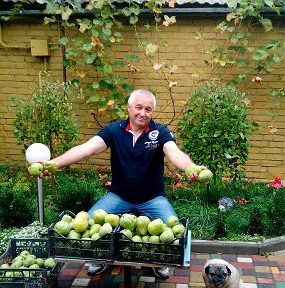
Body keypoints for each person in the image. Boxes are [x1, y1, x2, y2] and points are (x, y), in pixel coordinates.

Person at [41, 89, 203, 279]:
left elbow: (174, 152)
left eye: (148, 109)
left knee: (174, 237)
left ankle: (159, 261)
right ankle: (100, 258)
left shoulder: (160, 132)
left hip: (152, 198)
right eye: (139, 107)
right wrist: (54, 164)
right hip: (118, 196)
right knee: (88, 228)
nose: (143, 113)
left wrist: (191, 168)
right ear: (129, 108)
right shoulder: (113, 130)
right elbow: (87, 149)